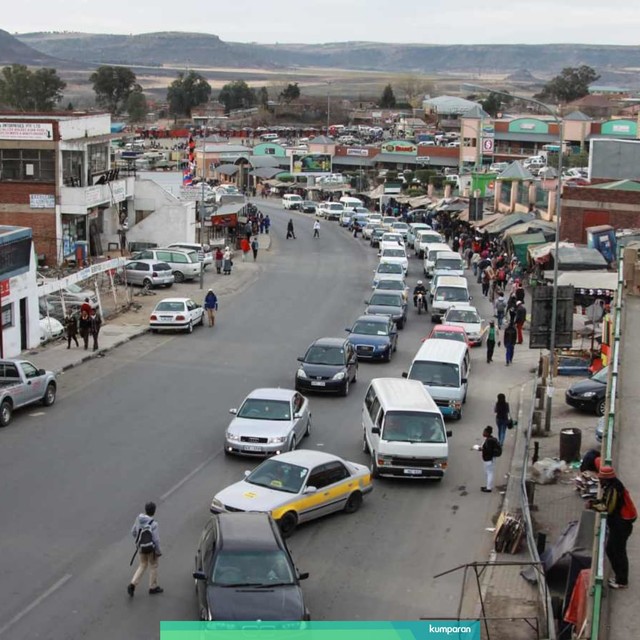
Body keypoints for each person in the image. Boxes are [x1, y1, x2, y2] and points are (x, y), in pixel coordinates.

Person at [587, 466, 637, 589]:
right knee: (613, 550)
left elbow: (608, 508)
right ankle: (620, 577)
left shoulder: (613, 489)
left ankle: (621, 580)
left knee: (617, 551)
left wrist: (592, 506)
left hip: (621, 526)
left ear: (605, 479)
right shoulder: (614, 485)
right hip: (621, 524)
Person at [127, 501, 163, 597]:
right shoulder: (154, 524)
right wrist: (158, 551)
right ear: (154, 511)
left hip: (141, 547)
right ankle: (153, 587)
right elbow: (156, 539)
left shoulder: (138, 519)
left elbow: (133, 532)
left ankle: (132, 584)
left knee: (142, 565)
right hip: (151, 549)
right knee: (153, 565)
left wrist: (139, 541)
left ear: (145, 510)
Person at [479, 426, 501, 493]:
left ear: (488, 433)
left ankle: (488, 488)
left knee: (489, 473)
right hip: (488, 459)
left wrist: (481, 449)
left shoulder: (489, 441)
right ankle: (488, 486)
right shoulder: (489, 439)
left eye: (484, 432)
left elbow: (488, 450)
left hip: (489, 459)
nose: (483, 433)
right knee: (488, 473)